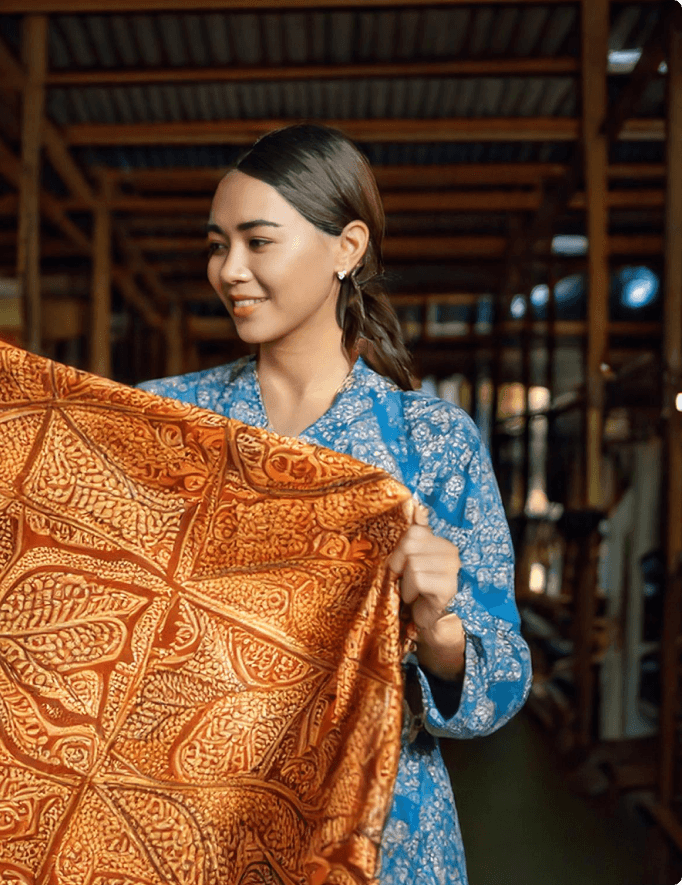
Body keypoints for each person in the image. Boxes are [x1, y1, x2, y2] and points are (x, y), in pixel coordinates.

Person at [138, 123, 532, 884]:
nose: (230, 270)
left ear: (346, 248)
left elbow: (502, 679)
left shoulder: (432, 442)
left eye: (259, 241)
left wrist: (439, 628)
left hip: (385, 834)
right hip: (200, 820)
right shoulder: (169, 423)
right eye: (218, 245)